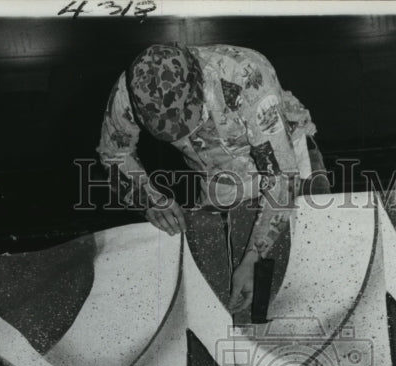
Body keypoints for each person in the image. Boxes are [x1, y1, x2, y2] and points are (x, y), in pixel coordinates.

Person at [97, 43, 324, 315]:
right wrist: (149, 199)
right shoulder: (129, 91)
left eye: (183, 118)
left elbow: (281, 179)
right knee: (225, 286)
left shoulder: (247, 76)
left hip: (284, 152)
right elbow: (114, 155)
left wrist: (254, 255)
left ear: (198, 85)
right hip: (217, 171)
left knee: (302, 262)